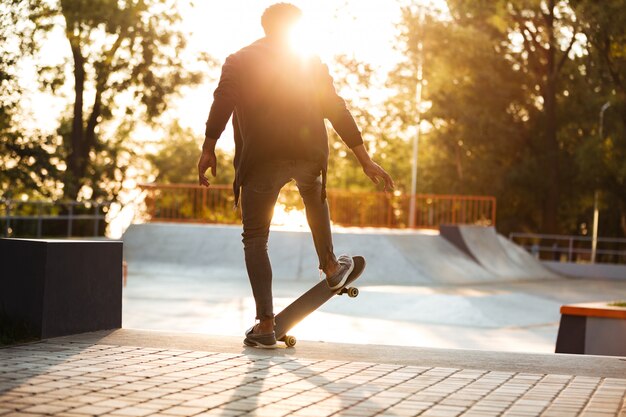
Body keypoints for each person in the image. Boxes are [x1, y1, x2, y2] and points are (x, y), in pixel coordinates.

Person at [197, 3, 394, 348]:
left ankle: (266, 323)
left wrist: (208, 147)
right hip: (308, 154)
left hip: (261, 158)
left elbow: (223, 100)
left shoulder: (239, 60)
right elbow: (336, 107)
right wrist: (364, 158)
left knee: (255, 238)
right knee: (314, 194)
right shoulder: (309, 62)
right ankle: (331, 265)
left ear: (266, 27)